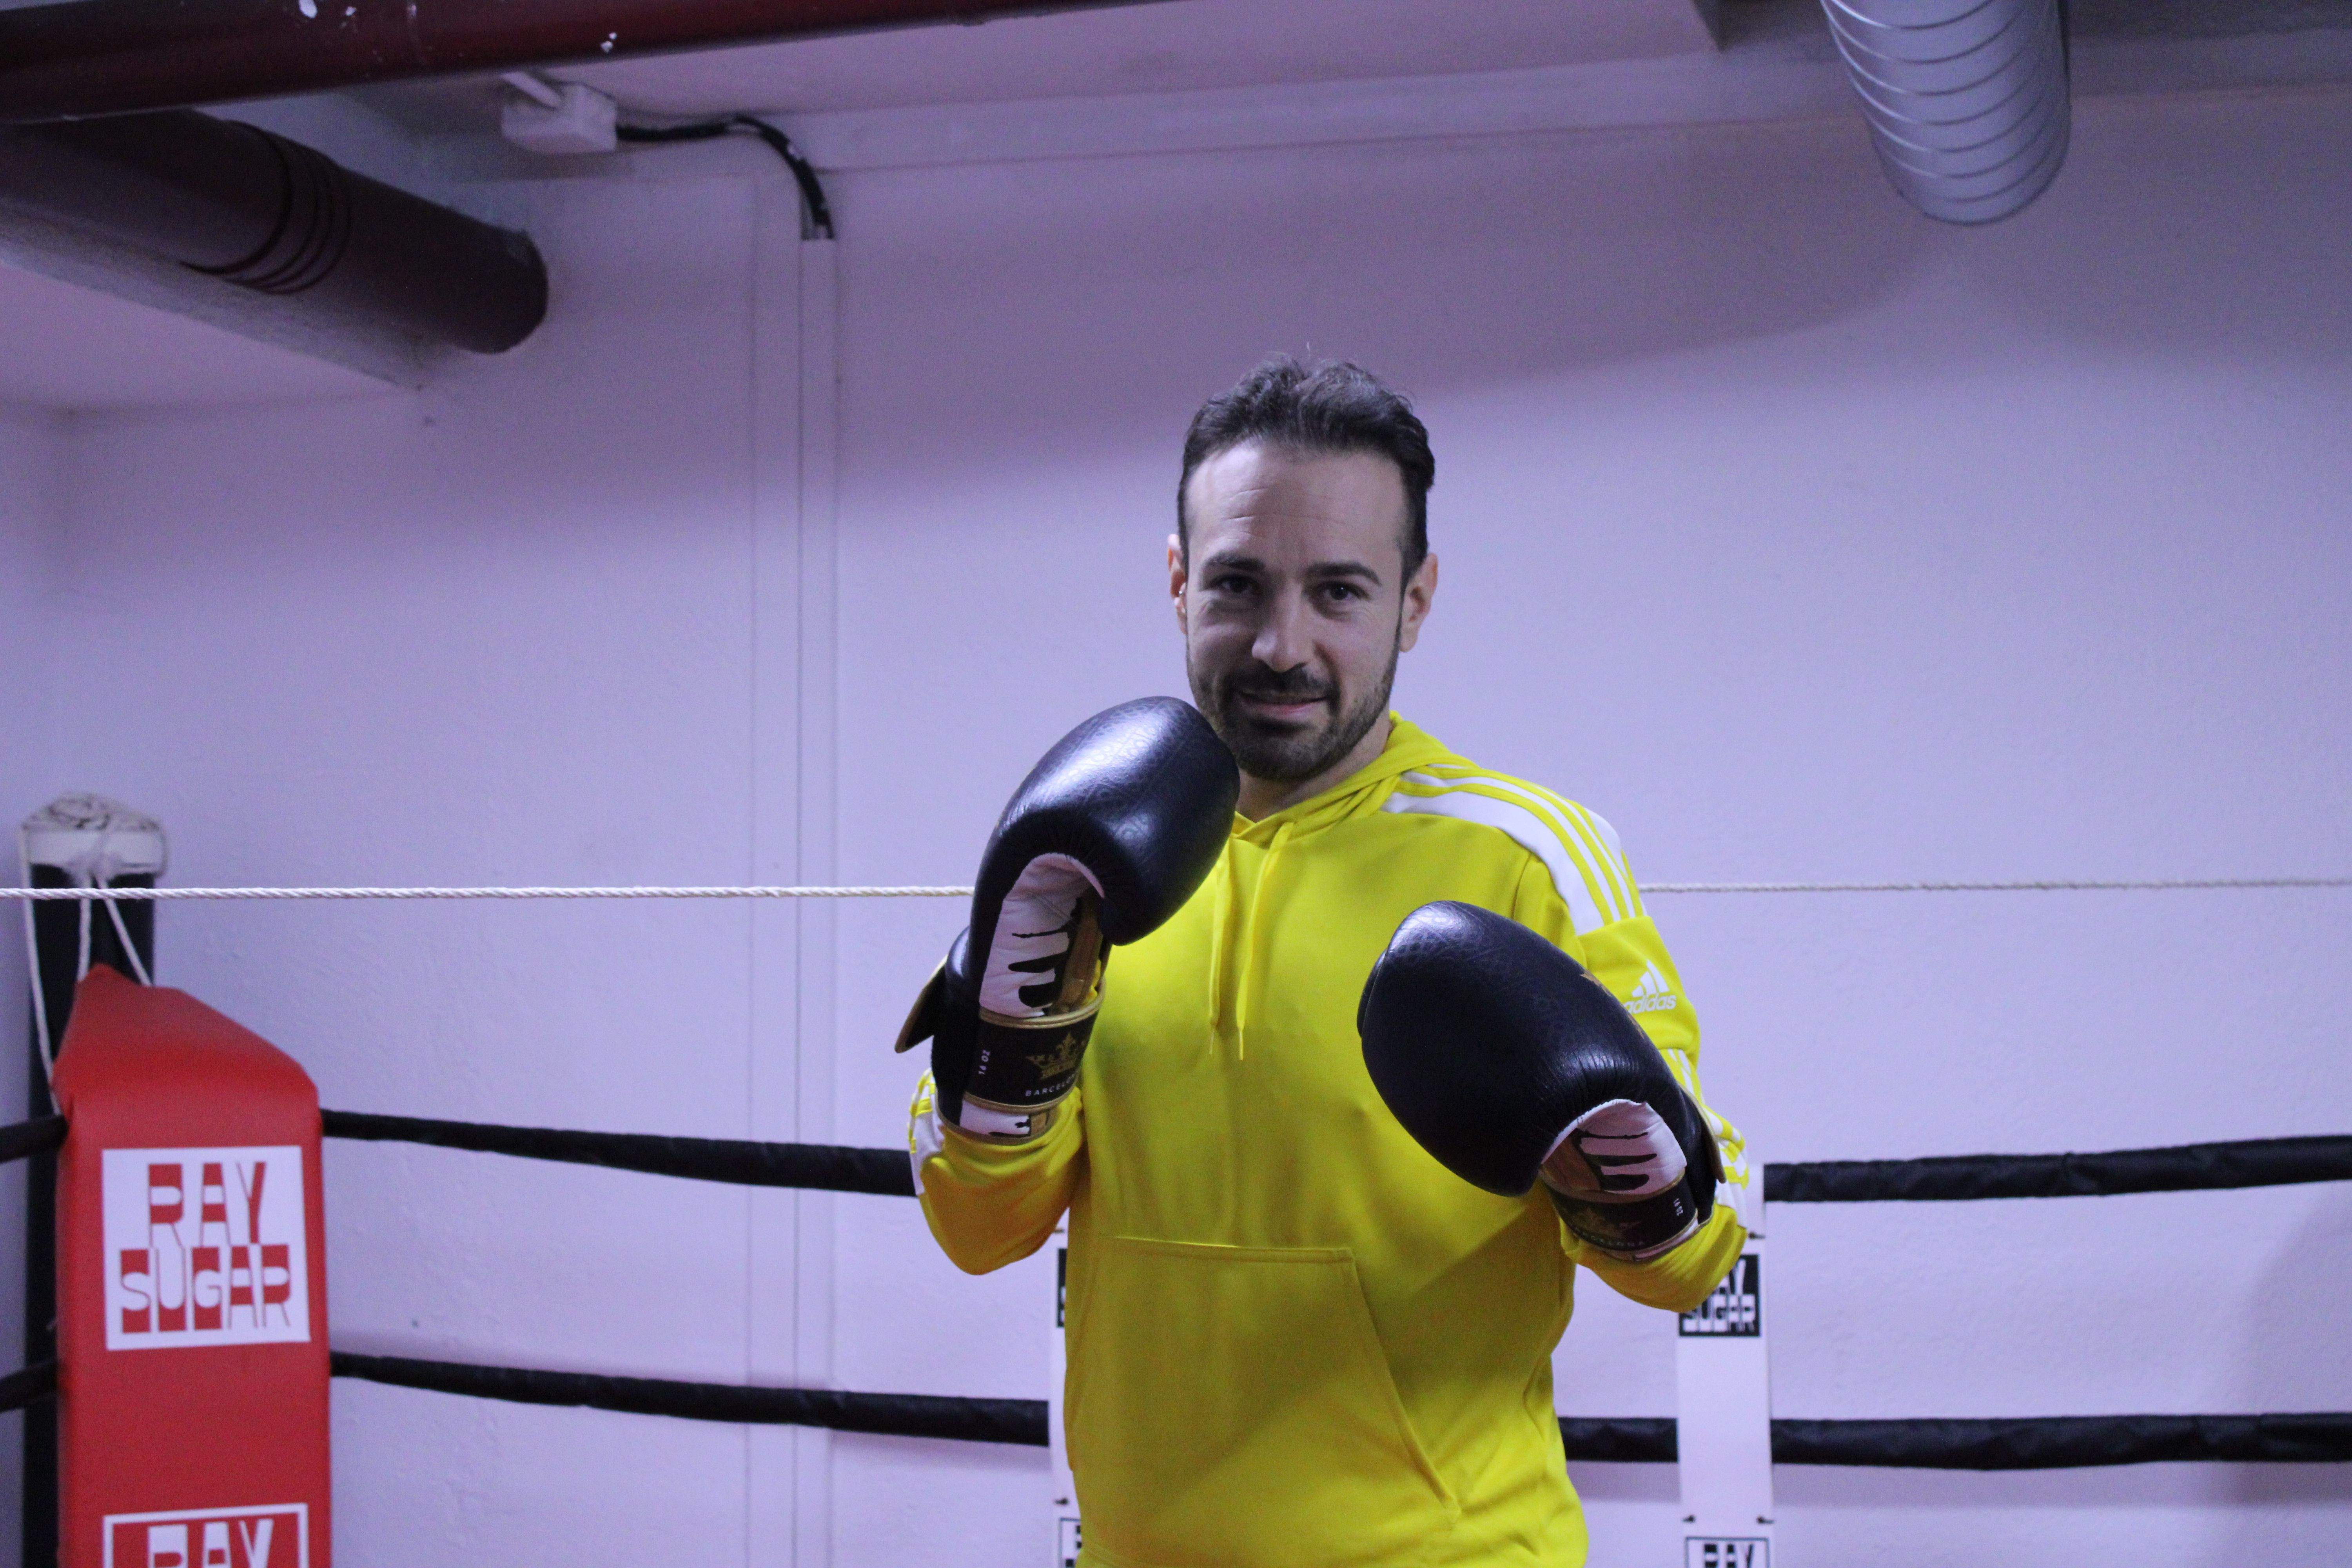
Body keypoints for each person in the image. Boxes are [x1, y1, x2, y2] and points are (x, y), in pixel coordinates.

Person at [904, 357, 1750, 1568]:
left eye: (1339, 592)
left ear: (1414, 601)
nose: (1280, 645)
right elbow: (977, 1228)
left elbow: (1692, 1264)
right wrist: (1006, 1070)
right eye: (1239, 585)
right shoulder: (1085, 848)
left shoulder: (1526, 855)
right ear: (1180, 581)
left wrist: (1632, 1186)